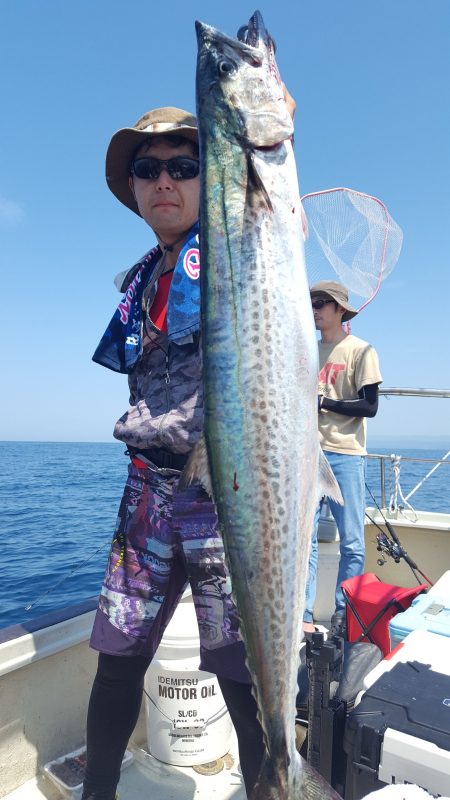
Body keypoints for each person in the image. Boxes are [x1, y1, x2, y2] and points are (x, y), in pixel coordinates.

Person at [82, 106, 267, 800]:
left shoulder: (232, 252)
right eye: (148, 169)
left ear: (209, 178)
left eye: (185, 166)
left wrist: (260, 134)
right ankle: (96, 791)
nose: (165, 180)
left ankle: (272, 788)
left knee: (243, 679)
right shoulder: (137, 284)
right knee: (117, 662)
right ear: (132, 188)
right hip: (146, 494)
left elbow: (263, 200)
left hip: (224, 491)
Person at [302, 281, 382, 638]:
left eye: (321, 303)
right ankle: (302, 611)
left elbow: (369, 406)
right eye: (312, 303)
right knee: (305, 542)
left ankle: (343, 612)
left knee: (352, 541)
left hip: (346, 456)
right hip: (306, 456)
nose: (315, 309)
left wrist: (326, 403)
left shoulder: (361, 351)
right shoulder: (305, 350)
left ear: (339, 309)